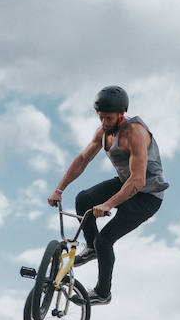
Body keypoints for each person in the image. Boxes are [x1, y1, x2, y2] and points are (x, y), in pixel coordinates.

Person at [47, 85, 169, 305]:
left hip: (147, 196)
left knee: (106, 241)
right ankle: (91, 247)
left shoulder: (135, 133)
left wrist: (108, 204)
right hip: (124, 183)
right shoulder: (103, 131)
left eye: (109, 118)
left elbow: (138, 180)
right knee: (83, 199)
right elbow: (83, 159)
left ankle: (103, 293)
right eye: (101, 117)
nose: (104, 122)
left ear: (122, 113)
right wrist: (59, 189)